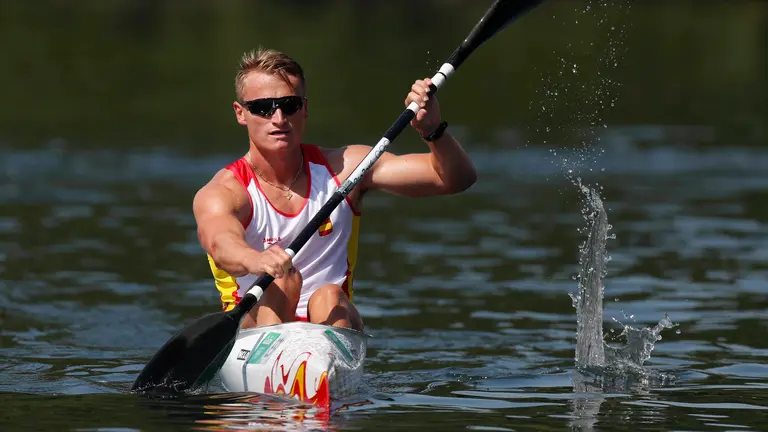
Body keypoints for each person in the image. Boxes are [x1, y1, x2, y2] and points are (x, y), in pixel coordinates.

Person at [193, 47, 477, 333]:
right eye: (263, 107)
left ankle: (325, 366)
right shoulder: (225, 191)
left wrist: (432, 131)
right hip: (256, 326)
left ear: (304, 108)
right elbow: (220, 243)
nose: (278, 119)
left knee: (328, 296)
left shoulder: (346, 168)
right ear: (241, 113)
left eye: (289, 105)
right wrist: (256, 260)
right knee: (281, 281)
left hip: (330, 320)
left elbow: (455, 179)